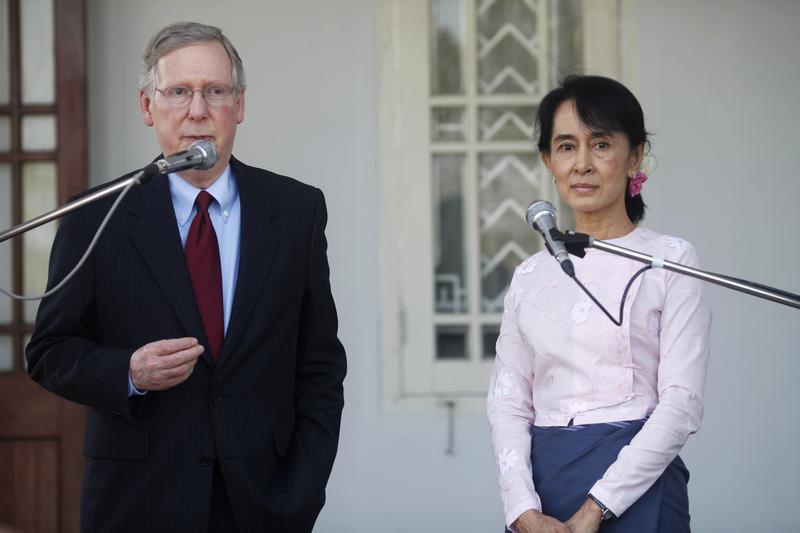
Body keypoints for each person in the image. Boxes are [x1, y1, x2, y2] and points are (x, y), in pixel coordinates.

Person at [26, 21, 346, 533]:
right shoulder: (96, 216)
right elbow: (49, 351)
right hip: (137, 504)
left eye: (215, 91)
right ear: (147, 107)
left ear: (238, 105)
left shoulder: (296, 210)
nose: (197, 111)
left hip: (265, 505)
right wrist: (128, 373)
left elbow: (320, 367)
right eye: (178, 92)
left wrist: (302, 490)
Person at [487, 75, 711, 533]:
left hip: (641, 486)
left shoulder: (670, 259)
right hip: (544, 488)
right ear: (548, 161)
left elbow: (681, 401)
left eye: (601, 144)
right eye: (566, 147)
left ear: (635, 157)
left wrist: (597, 508)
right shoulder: (529, 277)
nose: (582, 164)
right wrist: (522, 509)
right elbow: (508, 404)